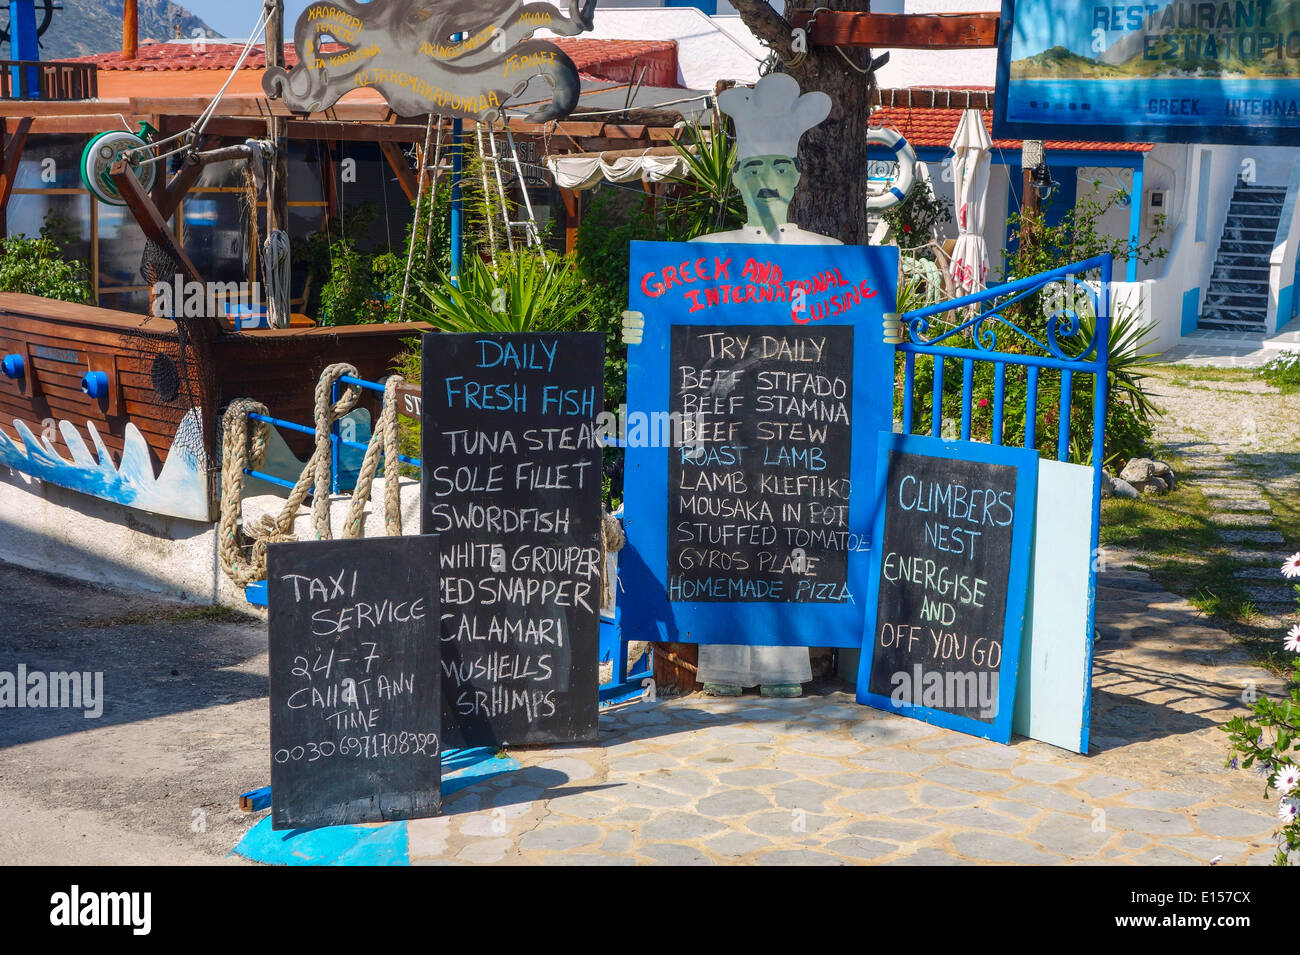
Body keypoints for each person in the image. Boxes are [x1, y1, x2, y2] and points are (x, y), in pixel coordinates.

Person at [622, 73, 839, 697]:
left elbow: (856, 334)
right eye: (755, 168)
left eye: (780, 166)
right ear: (737, 178)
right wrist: (641, 327)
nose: (769, 179)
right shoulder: (701, 252)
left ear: (797, 177)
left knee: (785, 538)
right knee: (728, 538)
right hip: (719, 435)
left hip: (793, 442)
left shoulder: (827, 253)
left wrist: (882, 328)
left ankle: (784, 669)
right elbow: (668, 330)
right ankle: (720, 666)